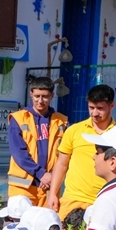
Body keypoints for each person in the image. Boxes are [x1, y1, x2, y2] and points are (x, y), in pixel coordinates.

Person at [46, 85, 116, 220]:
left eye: (100, 108)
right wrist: (53, 193)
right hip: (71, 199)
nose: (94, 113)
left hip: (102, 202)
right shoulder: (74, 130)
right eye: (91, 108)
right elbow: (61, 164)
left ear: (112, 106)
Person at [7, 76, 69, 206]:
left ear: (52, 96)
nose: (40, 101)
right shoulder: (18, 118)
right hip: (23, 187)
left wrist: (52, 176)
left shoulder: (62, 121)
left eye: (45, 96)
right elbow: (19, 154)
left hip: (49, 186)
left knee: (48, 225)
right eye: (37, 96)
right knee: (20, 225)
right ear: (31, 94)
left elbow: (65, 153)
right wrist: (41, 174)